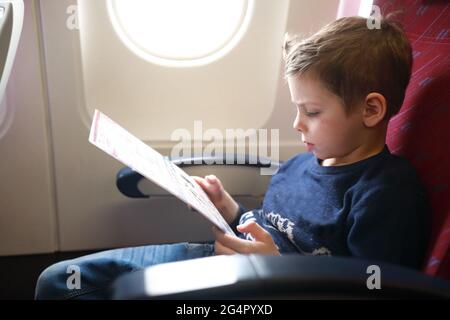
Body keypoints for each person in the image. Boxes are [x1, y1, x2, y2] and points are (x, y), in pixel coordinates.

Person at [35, 16, 430, 299]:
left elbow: (370, 287)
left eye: (311, 112)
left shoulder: (385, 193)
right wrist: (226, 208)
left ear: (371, 110)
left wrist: (282, 268)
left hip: (268, 290)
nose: (297, 124)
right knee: (58, 279)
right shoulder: (299, 166)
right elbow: (264, 229)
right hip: (226, 259)